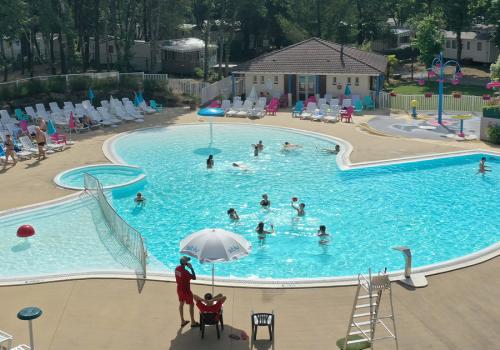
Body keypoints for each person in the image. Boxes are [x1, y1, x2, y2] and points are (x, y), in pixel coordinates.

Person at [175, 256, 199, 328]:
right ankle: (193, 322)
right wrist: (191, 268)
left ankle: (182, 321)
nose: (188, 262)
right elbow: (194, 277)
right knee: (191, 305)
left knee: (181, 303)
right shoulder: (186, 272)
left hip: (179, 289)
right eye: (187, 261)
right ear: (185, 263)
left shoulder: (177, 269)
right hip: (186, 291)